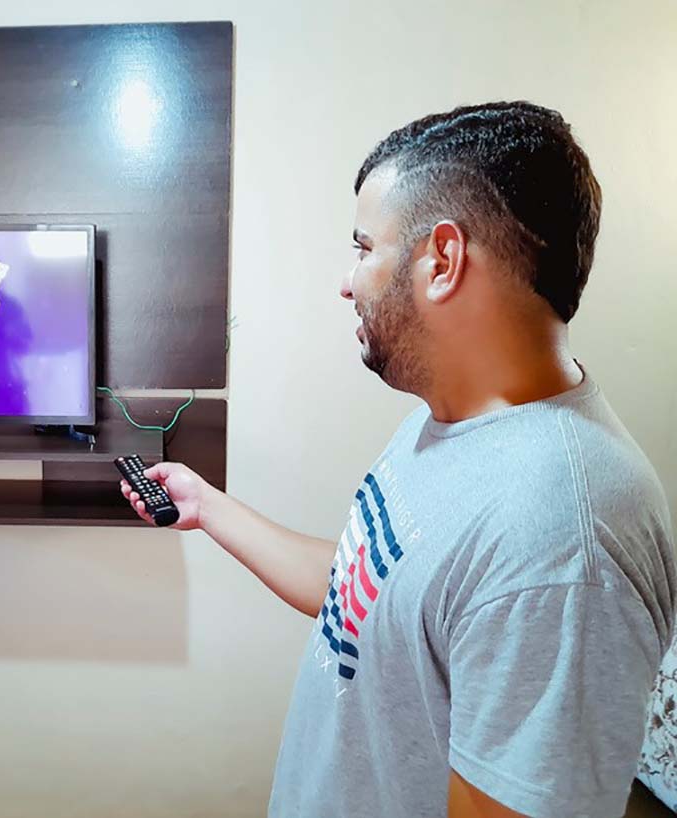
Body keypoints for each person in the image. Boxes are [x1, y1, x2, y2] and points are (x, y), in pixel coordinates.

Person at [121, 101, 676, 817]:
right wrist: (208, 507)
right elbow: (372, 594)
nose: (346, 282)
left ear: (442, 260)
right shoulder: (453, 420)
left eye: (363, 249)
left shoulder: (562, 544)